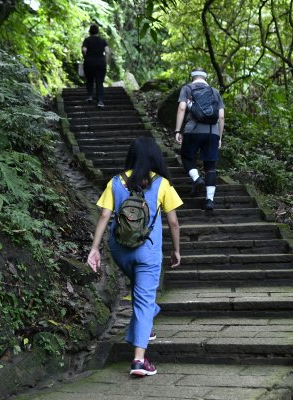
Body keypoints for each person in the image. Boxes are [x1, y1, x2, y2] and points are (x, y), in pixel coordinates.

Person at [87, 136, 182, 377]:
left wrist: (95, 249)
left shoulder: (116, 182)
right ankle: (139, 361)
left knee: (143, 295)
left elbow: (104, 217)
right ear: (155, 158)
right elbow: (173, 222)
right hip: (148, 252)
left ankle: (144, 323)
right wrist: (176, 249)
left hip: (120, 251)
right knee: (143, 299)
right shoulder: (162, 184)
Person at [174, 67, 225, 210]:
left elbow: (182, 108)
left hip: (193, 130)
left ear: (192, 77)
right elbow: (221, 116)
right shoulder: (215, 92)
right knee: (210, 166)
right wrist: (219, 136)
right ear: (205, 78)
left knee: (187, 158)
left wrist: (178, 130)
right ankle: (209, 200)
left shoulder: (187, 88)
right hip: (212, 132)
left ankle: (197, 179)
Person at [82, 24, 110, 107]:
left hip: (89, 62)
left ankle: (90, 96)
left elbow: (84, 49)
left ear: (90, 31)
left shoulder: (87, 40)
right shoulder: (102, 40)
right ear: (98, 31)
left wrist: (85, 56)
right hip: (100, 63)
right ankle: (100, 101)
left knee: (89, 80)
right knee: (99, 82)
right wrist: (106, 61)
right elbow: (107, 51)